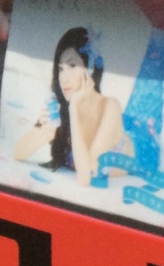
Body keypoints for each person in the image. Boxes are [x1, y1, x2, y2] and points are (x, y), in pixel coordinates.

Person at [14, 27, 132, 185]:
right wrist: (46, 132)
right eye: (60, 69)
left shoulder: (110, 107)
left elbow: (86, 177)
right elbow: (18, 153)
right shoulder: (59, 108)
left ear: (90, 69)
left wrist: (74, 108)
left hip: (141, 148)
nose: (63, 78)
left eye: (72, 65)